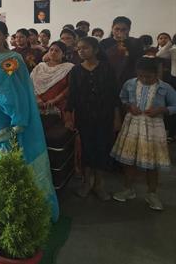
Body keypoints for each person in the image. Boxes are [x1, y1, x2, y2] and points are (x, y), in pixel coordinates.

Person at [0, 21, 58, 221]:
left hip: (1, 113)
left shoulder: (13, 59)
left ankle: (1, 201)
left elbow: (16, 88)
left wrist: (15, 113)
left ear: (6, 36)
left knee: (0, 154)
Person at [110, 57, 176, 211]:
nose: (144, 79)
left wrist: (162, 109)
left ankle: (152, 193)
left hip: (154, 128)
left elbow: (175, 104)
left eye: (149, 77)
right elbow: (122, 98)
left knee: (152, 162)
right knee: (129, 160)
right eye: (141, 76)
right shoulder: (130, 84)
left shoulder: (165, 88)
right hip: (132, 124)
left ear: (157, 74)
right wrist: (128, 106)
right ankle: (128, 189)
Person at [65, 37, 121, 200]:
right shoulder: (76, 70)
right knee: (86, 149)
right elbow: (72, 95)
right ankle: (86, 183)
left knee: (102, 148)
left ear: (95, 50)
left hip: (105, 116)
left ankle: (99, 184)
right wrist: (68, 116)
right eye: (79, 48)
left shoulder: (107, 68)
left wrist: (117, 117)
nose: (81, 51)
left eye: (85, 48)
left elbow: (114, 95)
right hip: (84, 116)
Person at [31, 41, 74, 115]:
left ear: (63, 54)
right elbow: (30, 84)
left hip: (59, 106)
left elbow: (70, 87)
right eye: (51, 50)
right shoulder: (40, 67)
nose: (53, 52)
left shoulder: (68, 68)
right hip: (36, 104)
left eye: (57, 51)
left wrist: (55, 100)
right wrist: (37, 99)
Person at [100, 16, 144, 86]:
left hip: (129, 77)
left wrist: (125, 44)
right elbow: (101, 59)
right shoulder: (104, 42)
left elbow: (138, 59)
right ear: (112, 28)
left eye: (124, 29)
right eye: (117, 29)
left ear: (129, 30)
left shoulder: (136, 42)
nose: (119, 32)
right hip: (108, 76)